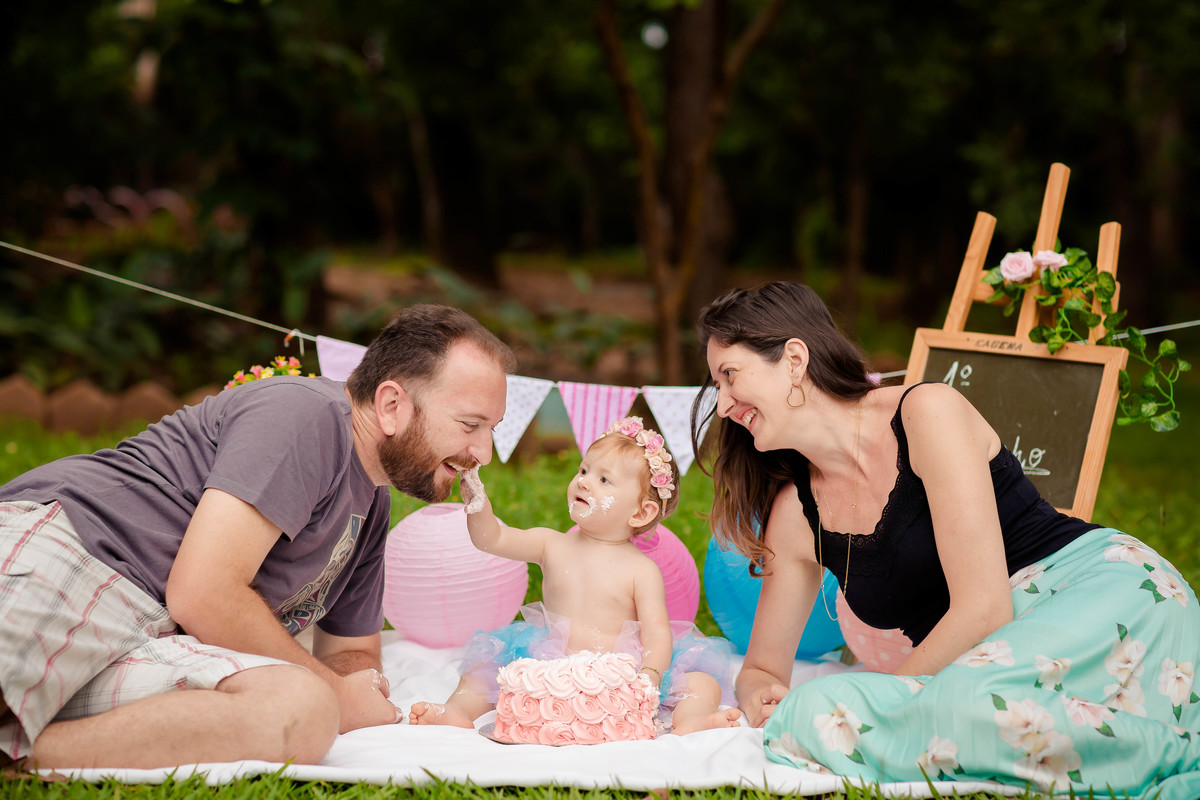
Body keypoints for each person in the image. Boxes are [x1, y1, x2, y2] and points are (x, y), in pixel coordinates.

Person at [690, 281, 1200, 798]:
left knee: (907, 708)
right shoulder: (795, 515)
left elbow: (983, 610)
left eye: (730, 376)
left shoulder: (924, 413)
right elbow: (759, 667)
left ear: (794, 359)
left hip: (1097, 591)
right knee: (819, 709)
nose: (725, 405)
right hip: (984, 665)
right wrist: (759, 695)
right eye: (717, 386)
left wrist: (885, 705)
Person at [0, 304, 514, 770]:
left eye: (492, 429)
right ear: (391, 404)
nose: (484, 452)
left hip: (153, 634)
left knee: (302, 710)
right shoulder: (305, 415)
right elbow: (204, 592)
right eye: (470, 423)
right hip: (77, 556)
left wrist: (352, 689)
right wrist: (337, 689)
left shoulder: (372, 503)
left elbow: (352, 647)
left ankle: (23, 755)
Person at [409, 416, 742, 735]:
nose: (583, 480)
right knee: (482, 670)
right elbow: (492, 539)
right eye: (583, 469)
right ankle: (456, 711)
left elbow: (657, 633)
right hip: (549, 665)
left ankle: (691, 720)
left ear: (641, 512)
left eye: (603, 479)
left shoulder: (642, 570)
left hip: (620, 673)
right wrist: (477, 501)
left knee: (700, 683)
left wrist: (649, 677)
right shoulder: (551, 544)